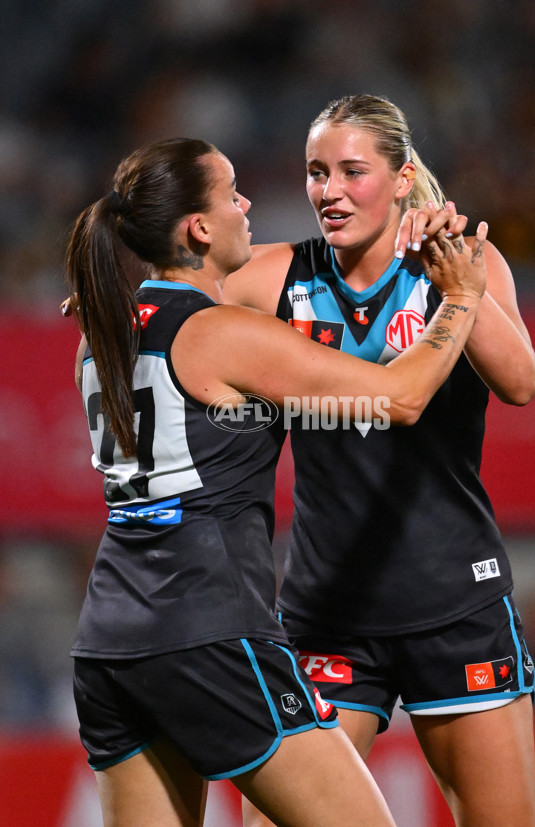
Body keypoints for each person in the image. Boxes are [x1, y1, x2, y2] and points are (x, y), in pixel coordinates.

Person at [65, 136, 488, 827]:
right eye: (232, 192)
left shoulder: (99, 333)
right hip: (208, 630)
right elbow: (403, 396)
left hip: (109, 643)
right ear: (198, 228)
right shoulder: (223, 334)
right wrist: (460, 297)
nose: (247, 203)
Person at [223, 95, 535, 827]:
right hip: (325, 614)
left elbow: (521, 382)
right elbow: (169, 297)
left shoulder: (465, 262)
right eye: (315, 172)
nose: (328, 191)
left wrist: (456, 277)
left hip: (454, 604)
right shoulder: (275, 278)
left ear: (402, 180)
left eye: (351, 171)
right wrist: (110, 288)